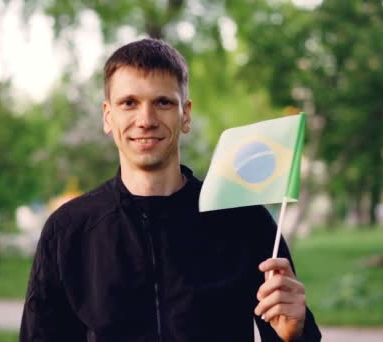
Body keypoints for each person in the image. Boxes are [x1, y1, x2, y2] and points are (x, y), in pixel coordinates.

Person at [20, 38, 322, 342]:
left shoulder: (245, 221)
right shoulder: (68, 230)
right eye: (129, 103)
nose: (146, 120)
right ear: (108, 116)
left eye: (163, 102)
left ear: (186, 114)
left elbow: (290, 333)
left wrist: (294, 336)